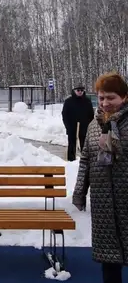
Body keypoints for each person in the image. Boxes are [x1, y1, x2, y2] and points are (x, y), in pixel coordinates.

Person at [72, 72, 128, 283]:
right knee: (109, 259)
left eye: (111, 97)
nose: (105, 103)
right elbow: (86, 159)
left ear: (124, 97)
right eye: (101, 97)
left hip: (125, 197)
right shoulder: (94, 125)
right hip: (103, 201)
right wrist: (80, 191)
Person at [62, 85, 95, 161]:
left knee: (85, 145)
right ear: (74, 91)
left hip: (84, 127)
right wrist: (68, 126)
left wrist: (89, 126)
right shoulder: (68, 101)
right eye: (78, 90)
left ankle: (85, 161)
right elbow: (64, 115)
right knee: (72, 144)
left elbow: (91, 115)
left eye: (82, 90)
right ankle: (71, 161)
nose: (80, 92)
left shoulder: (87, 101)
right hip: (72, 128)